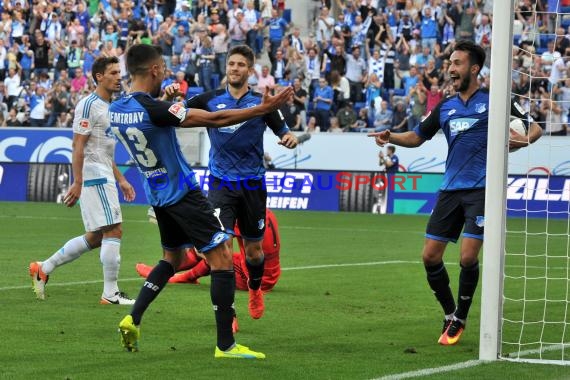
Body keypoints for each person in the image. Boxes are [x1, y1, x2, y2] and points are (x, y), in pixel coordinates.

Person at [110, 44, 292, 358]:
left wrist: (165, 101)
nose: (165, 72)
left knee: (173, 259)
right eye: (163, 68)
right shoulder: (157, 110)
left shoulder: (118, 108)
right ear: (154, 70)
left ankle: (132, 317)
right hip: (183, 193)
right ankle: (226, 345)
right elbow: (217, 117)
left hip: (157, 194)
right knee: (221, 256)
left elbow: (152, 112)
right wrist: (260, 110)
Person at [368, 40, 542, 346]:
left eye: (457, 63)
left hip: (481, 189)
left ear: (474, 68)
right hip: (450, 190)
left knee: (467, 256)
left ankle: (460, 318)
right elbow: (417, 137)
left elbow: (534, 130)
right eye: (450, 63)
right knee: (429, 256)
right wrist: (391, 135)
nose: (450, 68)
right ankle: (450, 313)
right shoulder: (445, 106)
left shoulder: (495, 100)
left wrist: (519, 142)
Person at [184, 44, 297, 321]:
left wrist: (288, 138)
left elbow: (284, 131)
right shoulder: (207, 100)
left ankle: (255, 288)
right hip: (221, 183)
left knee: (254, 252)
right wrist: (170, 95)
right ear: (226, 67)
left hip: (252, 185)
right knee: (221, 250)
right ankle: (228, 313)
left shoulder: (263, 103)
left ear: (250, 69)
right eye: (231, 64)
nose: (235, 69)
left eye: (240, 65)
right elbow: (173, 112)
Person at [29, 56, 136, 305]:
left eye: (119, 72)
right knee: (114, 229)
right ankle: (110, 294)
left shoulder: (111, 105)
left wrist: (121, 178)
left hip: (104, 172)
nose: (118, 77)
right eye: (113, 72)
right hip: (94, 175)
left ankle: (43, 267)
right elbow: (78, 146)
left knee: (98, 236)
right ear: (99, 76)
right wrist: (77, 182)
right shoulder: (88, 104)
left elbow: (104, 150)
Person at [136, 209, 282, 332]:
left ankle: (174, 274)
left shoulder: (238, 215)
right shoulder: (263, 210)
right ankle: (170, 271)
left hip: (250, 277)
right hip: (271, 275)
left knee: (215, 253)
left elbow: (207, 249)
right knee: (219, 250)